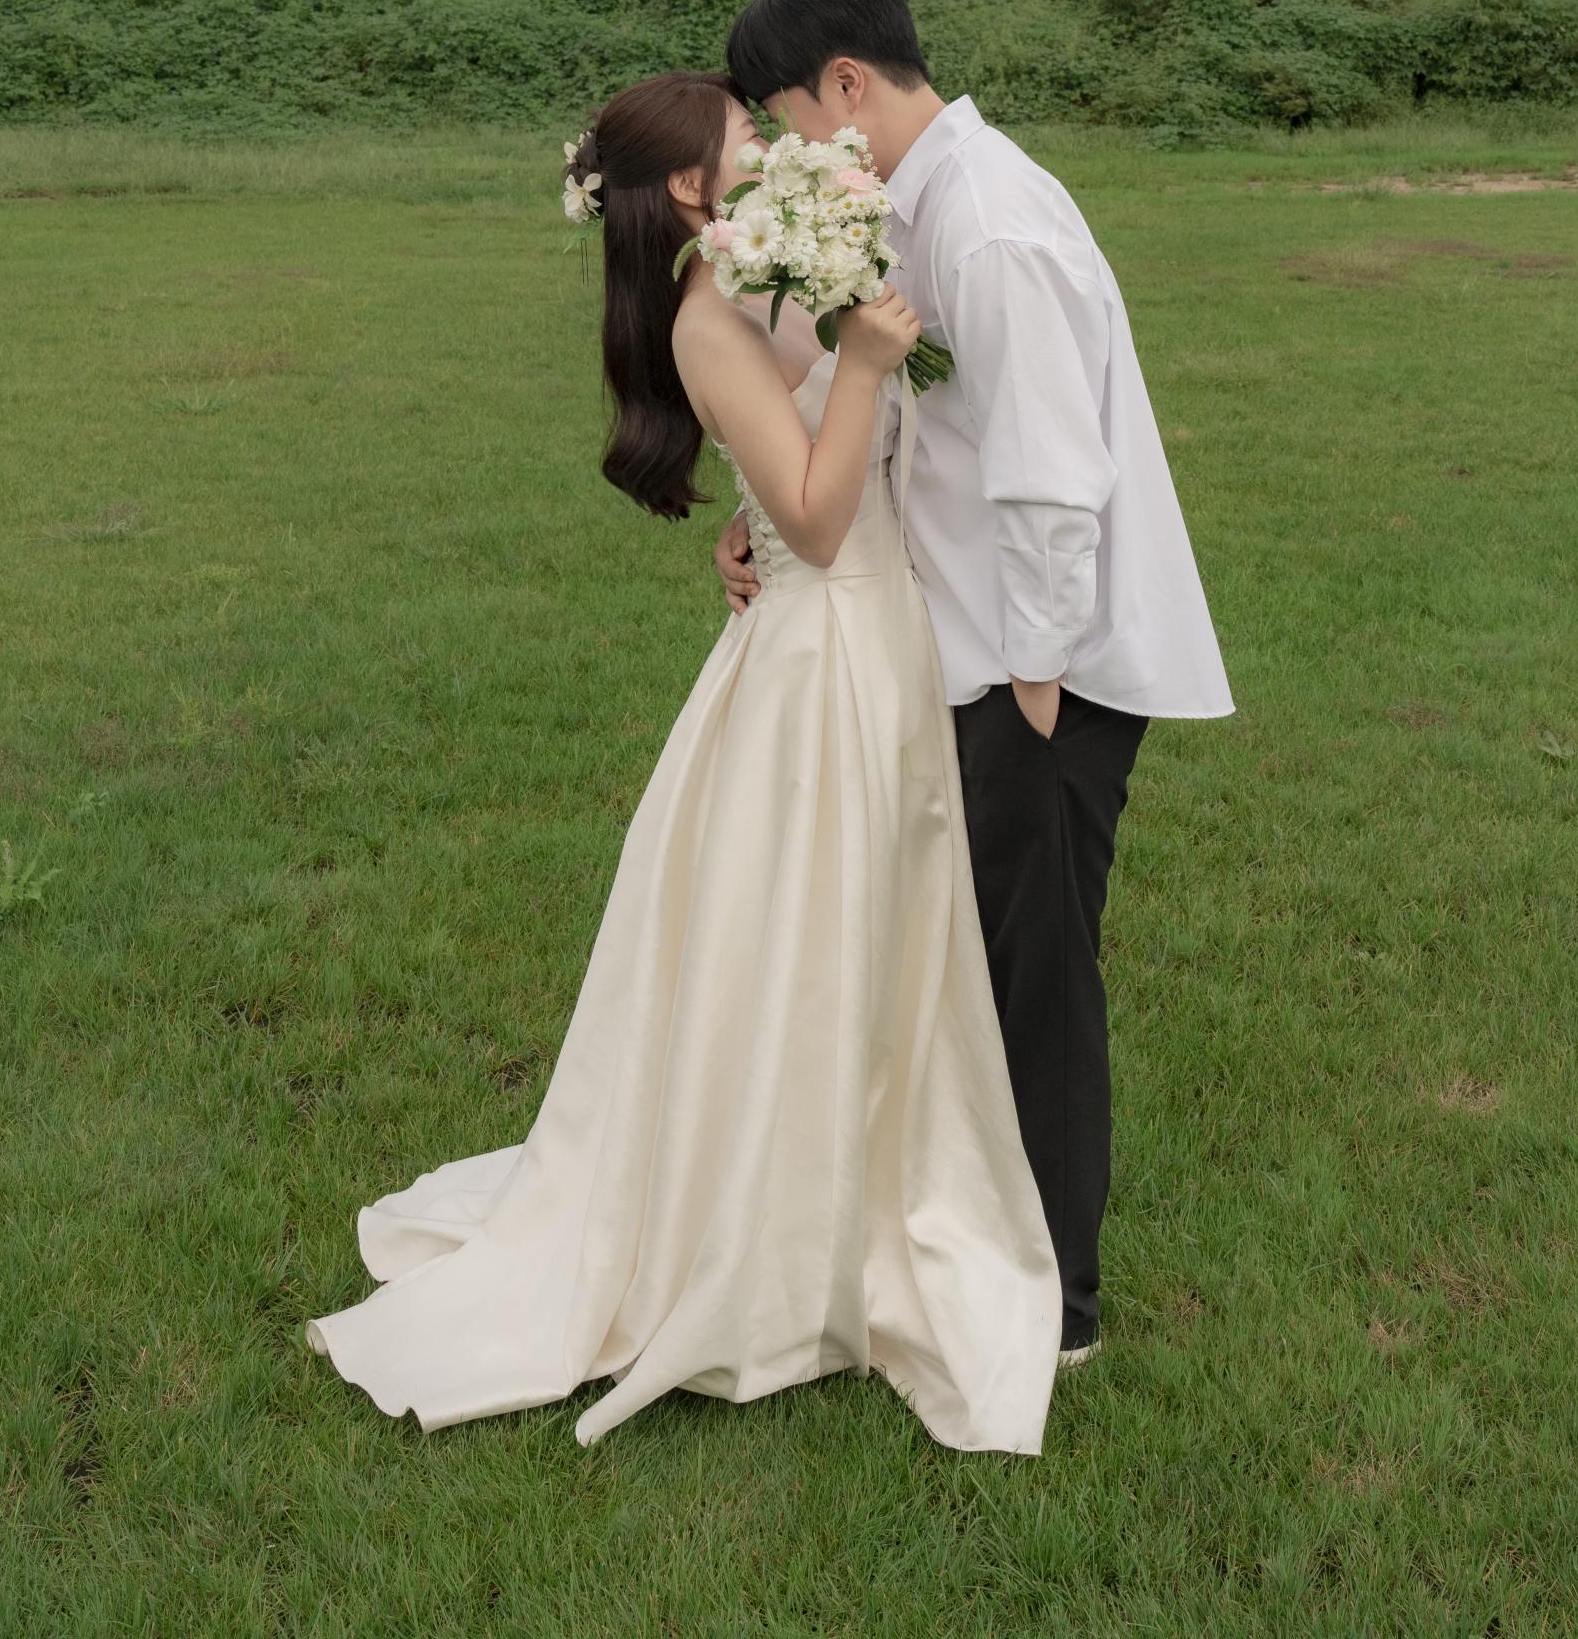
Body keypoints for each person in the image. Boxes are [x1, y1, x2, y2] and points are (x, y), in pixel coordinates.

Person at [304, 71, 1062, 1453]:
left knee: (871, 921)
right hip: (827, 654)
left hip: (873, 634)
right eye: (745, 140)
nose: (773, 147)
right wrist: (863, 370)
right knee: (811, 928)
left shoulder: (767, 274)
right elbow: (817, 518)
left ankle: (868, 1172)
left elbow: (796, 469)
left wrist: (774, 476)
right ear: (692, 190)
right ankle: (780, 1225)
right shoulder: (708, 318)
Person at [721, 0, 1235, 1359]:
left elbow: (1054, 469)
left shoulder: (990, 219)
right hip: (978, 649)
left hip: (1039, 668)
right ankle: (976, 1241)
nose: (784, 150)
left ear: (846, 83)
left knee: (1035, 974)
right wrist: (765, 509)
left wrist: (1038, 676)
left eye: (785, 116)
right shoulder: (919, 201)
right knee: (978, 965)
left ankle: (1059, 1304)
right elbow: (909, 410)